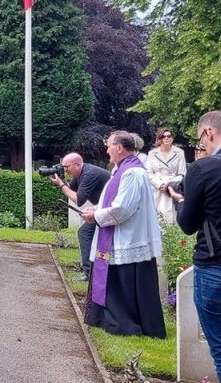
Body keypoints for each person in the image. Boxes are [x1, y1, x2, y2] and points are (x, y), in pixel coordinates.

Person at [169, 111, 221, 383]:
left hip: (217, 267)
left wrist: (179, 201)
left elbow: (187, 224)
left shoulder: (204, 168)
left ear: (208, 132)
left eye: (199, 139)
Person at [81, 131, 166, 339]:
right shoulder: (121, 170)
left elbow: (123, 209)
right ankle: (107, 319)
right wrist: (96, 210)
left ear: (119, 148)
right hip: (120, 235)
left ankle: (124, 324)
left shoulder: (132, 173)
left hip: (127, 237)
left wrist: (96, 216)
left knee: (124, 286)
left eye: (109, 145)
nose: (106, 149)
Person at [49, 153, 111, 281]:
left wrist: (61, 184)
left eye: (67, 167)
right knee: (87, 234)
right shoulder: (80, 173)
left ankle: (89, 273)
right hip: (103, 208)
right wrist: (62, 180)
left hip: (110, 210)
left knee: (85, 233)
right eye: (63, 167)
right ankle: (93, 271)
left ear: (77, 164)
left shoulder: (89, 174)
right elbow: (72, 189)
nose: (65, 170)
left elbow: (78, 199)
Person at [145, 127, 186, 223]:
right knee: (157, 217)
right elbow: (148, 172)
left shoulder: (179, 153)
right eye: (163, 136)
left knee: (173, 218)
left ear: (172, 138)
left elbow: (182, 173)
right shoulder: (152, 154)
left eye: (169, 136)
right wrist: (159, 184)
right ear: (159, 139)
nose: (166, 138)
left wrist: (169, 184)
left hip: (173, 188)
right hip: (157, 188)